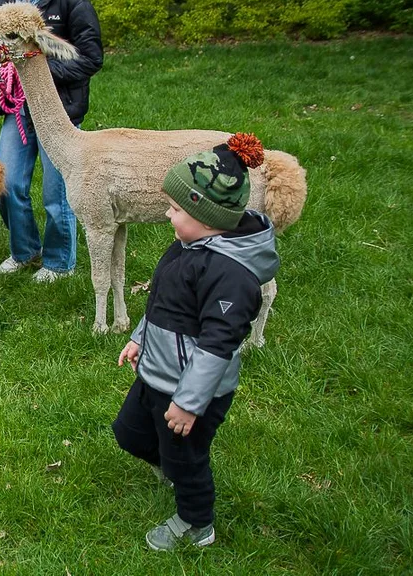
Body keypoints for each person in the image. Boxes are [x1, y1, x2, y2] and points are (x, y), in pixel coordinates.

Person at [111, 134, 279, 551]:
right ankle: (170, 466)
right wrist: (139, 338)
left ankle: (196, 521)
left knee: (188, 458)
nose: (168, 216)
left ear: (207, 216)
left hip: (193, 390)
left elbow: (217, 346)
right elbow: (164, 303)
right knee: (130, 433)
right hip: (158, 370)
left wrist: (189, 403)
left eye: (175, 209)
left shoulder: (230, 275)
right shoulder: (187, 245)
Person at [0, 0, 103, 283]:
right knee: (6, 184)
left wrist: (38, 72)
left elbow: (90, 58)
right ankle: (24, 250)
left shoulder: (68, 1)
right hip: (17, 111)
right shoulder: (7, 1)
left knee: (57, 194)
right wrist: (0, 69)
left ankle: (58, 262)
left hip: (59, 112)